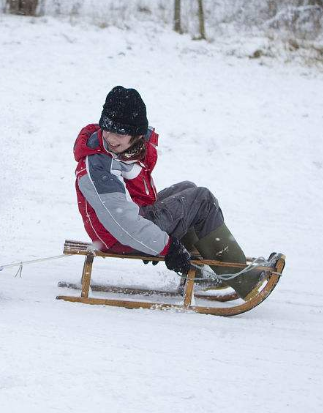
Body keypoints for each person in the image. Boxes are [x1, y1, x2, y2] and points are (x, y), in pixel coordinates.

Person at [73, 86, 267, 300]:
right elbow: (122, 223)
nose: (110, 137)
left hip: (129, 222)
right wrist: (167, 248)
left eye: (120, 132)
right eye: (107, 128)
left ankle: (199, 273)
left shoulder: (121, 149)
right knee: (202, 200)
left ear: (136, 133)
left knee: (188, 188)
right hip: (120, 237)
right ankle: (243, 279)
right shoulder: (98, 168)